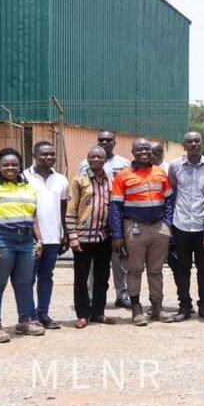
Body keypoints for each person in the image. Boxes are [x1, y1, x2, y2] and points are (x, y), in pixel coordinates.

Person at [0, 148, 44, 342]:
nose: (10, 168)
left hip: (25, 241)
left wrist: (38, 240)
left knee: (24, 284)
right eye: (6, 164)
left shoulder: (28, 187)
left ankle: (24, 322)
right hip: (1, 240)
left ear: (20, 166)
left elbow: (33, 217)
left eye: (14, 164)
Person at [110, 138, 175, 326]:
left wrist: (168, 224)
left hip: (159, 228)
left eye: (147, 149)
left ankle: (157, 308)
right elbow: (115, 207)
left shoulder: (160, 173)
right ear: (133, 152)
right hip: (134, 227)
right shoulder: (123, 176)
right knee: (134, 270)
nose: (144, 152)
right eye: (140, 149)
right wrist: (117, 234)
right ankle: (136, 310)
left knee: (156, 270)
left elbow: (169, 200)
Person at [168, 131, 204, 322]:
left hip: (201, 225)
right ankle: (184, 306)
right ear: (184, 145)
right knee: (182, 268)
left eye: (197, 141)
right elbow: (172, 193)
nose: (194, 144)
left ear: (202, 143)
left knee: (203, 267)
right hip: (180, 224)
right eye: (189, 141)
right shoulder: (175, 166)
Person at [79, 130, 131, 309]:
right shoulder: (85, 163)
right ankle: (92, 296)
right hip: (94, 219)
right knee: (95, 262)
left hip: (117, 217)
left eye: (109, 140)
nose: (105, 142)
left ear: (115, 142)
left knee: (120, 259)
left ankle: (122, 294)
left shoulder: (124, 163)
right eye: (101, 140)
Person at [66, 146, 116, 329]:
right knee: (81, 277)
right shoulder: (79, 181)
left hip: (105, 237)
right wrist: (72, 236)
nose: (96, 159)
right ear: (87, 159)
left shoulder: (111, 181)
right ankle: (83, 314)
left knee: (102, 277)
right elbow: (71, 210)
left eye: (99, 156)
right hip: (83, 238)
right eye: (92, 156)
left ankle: (98, 312)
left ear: (105, 160)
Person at [23, 141, 69, 329]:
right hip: (30, 238)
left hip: (52, 237)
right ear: (34, 155)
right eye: (44, 154)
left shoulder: (61, 180)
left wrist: (65, 233)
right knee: (28, 278)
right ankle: (30, 315)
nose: (49, 157)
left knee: (46, 277)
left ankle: (43, 313)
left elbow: (64, 208)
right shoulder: (23, 177)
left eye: (52, 154)